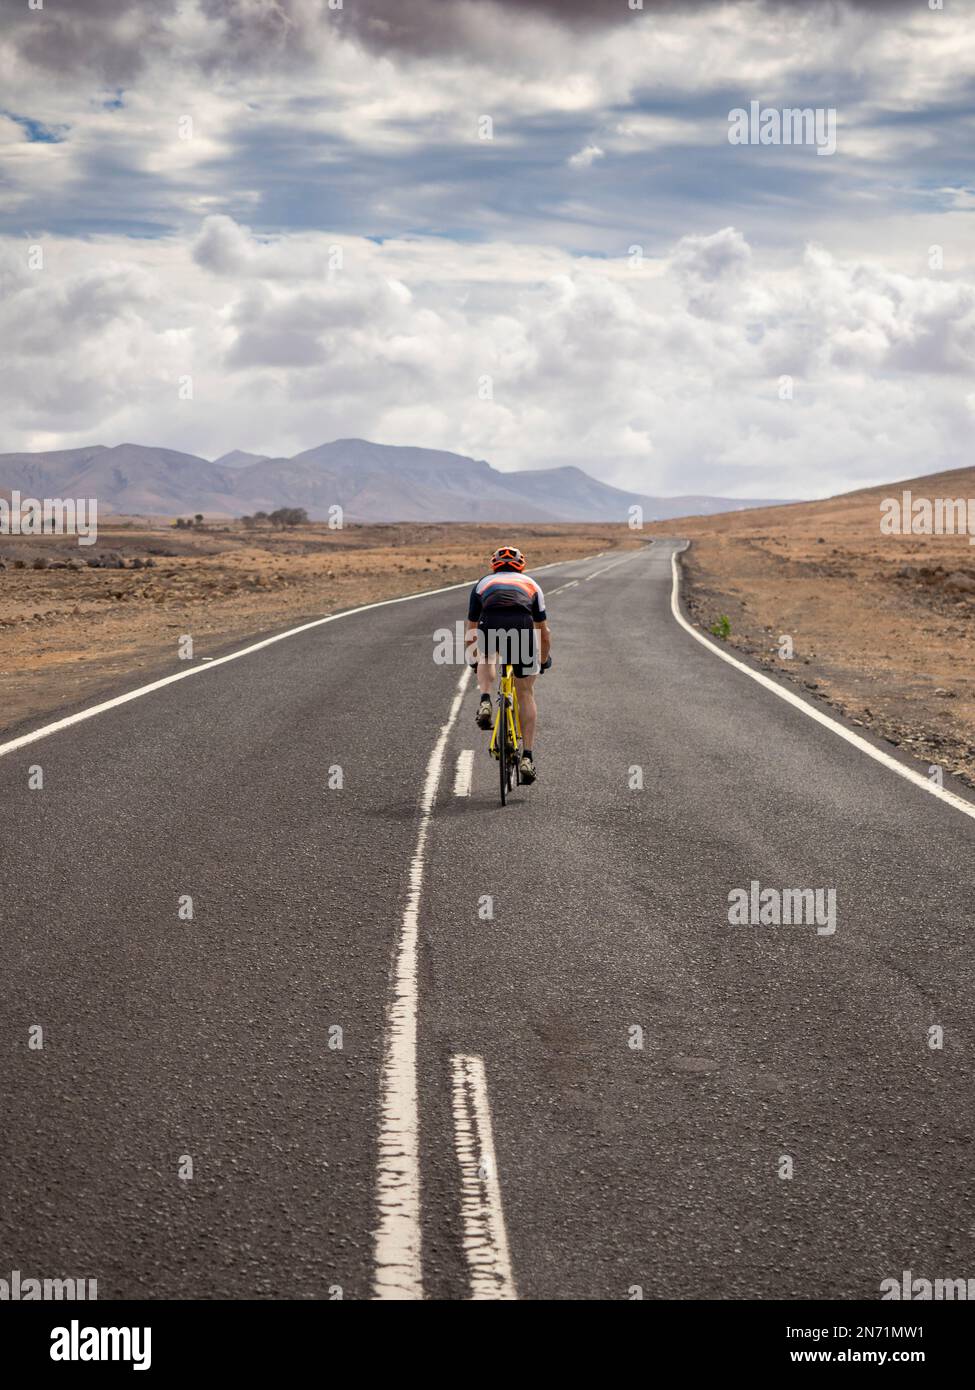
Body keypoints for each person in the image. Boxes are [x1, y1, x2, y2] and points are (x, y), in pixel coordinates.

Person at [465, 545, 551, 784]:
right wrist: (543, 660)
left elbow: (471, 628)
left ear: (494, 564)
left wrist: (473, 658)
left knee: (486, 656)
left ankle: (485, 700)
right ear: (521, 565)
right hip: (521, 625)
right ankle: (527, 756)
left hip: (490, 621)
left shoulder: (483, 584)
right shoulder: (532, 585)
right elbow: (544, 632)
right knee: (525, 692)